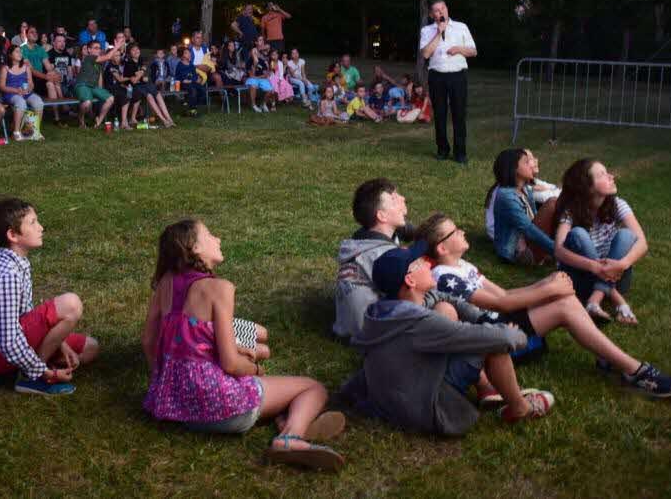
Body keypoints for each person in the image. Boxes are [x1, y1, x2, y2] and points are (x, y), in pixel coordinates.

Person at [142, 219, 346, 471]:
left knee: (261, 360)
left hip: (177, 409)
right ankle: (290, 438)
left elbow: (149, 340)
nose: (218, 239)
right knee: (312, 388)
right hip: (223, 410)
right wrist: (256, 370)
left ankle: (284, 419)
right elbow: (230, 363)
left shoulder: (166, 283)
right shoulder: (220, 288)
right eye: (210, 235)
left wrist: (162, 382)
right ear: (194, 247)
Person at [415, 212, 671, 398]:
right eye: (454, 231)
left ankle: (613, 360)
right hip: (491, 338)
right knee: (565, 304)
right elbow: (503, 304)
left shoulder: (462, 265)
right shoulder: (444, 276)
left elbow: (506, 293)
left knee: (564, 297)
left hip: (500, 320)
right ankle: (636, 372)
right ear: (441, 248)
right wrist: (549, 288)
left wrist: (548, 284)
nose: (461, 230)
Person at [341, 243, 555, 434]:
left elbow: (441, 299)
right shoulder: (418, 323)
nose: (428, 264)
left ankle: (488, 389)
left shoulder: (382, 313)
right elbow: (475, 336)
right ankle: (520, 409)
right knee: (493, 343)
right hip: (424, 410)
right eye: (421, 263)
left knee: (480, 332)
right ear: (410, 280)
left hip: (396, 399)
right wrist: (514, 335)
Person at [0, 198, 100, 395]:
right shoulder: (6, 274)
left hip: (13, 341)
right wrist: (44, 372)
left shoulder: (17, 261)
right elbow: (8, 341)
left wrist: (60, 342)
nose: (41, 227)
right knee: (71, 304)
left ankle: (16, 371)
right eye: (33, 223)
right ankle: (30, 378)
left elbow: (25, 314)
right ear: (13, 235)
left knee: (90, 349)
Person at [553, 159, 647, 325]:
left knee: (626, 235)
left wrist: (622, 264)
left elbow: (642, 243)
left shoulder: (618, 205)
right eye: (602, 174)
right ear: (587, 186)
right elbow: (558, 251)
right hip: (579, 279)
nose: (611, 176)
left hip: (617, 275)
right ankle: (618, 301)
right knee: (578, 234)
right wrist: (594, 266)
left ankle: (595, 299)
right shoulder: (571, 211)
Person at [333, 178, 415, 340]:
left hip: (346, 327)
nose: (403, 199)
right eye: (393, 198)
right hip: (372, 334)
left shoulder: (360, 243)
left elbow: (406, 231)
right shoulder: (383, 254)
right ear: (382, 216)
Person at [419, 0, 477, 164]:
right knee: (440, 113)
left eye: (443, 8)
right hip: (437, 76)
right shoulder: (427, 30)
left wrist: (459, 49)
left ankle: (460, 153)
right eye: (436, 10)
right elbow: (426, 54)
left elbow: (473, 51)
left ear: (447, 9)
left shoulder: (461, 27)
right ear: (432, 15)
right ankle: (442, 150)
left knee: (459, 113)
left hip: (457, 75)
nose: (441, 12)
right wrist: (439, 32)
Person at [485, 149, 557, 265]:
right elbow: (529, 229)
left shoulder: (526, 189)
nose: (532, 165)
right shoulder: (506, 196)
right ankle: (561, 253)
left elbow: (534, 218)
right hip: (518, 252)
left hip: (529, 241)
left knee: (558, 207)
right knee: (552, 204)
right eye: (526, 162)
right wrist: (557, 251)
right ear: (514, 169)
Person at [0, 45, 45, 142]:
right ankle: (16, 132)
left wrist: (29, 89)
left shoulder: (26, 67)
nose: (20, 54)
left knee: (38, 102)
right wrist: (16, 91)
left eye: (20, 52)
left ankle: (35, 131)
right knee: (21, 103)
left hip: (26, 92)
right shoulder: (5, 68)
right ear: (10, 55)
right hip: (11, 94)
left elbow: (31, 83)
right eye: (17, 52)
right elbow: (2, 86)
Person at [126, 44, 176, 128]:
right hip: (134, 87)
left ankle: (169, 119)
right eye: (133, 50)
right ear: (129, 53)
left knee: (158, 94)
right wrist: (142, 71)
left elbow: (143, 77)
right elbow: (134, 81)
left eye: (137, 49)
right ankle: (163, 120)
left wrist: (140, 75)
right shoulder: (129, 64)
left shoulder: (141, 60)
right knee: (149, 96)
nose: (136, 51)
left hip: (144, 84)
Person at [73, 39, 119, 128]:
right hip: (83, 85)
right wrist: (116, 47)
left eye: (99, 48)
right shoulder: (89, 57)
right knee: (87, 103)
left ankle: (98, 121)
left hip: (94, 87)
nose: (98, 50)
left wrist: (100, 90)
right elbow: (108, 57)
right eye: (95, 48)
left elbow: (100, 76)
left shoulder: (99, 62)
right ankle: (81, 119)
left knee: (110, 98)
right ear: (89, 50)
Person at [172, 48, 205, 116]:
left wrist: (198, 79)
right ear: (182, 56)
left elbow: (195, 76)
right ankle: (192, 109)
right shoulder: (180, 65)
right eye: (187, 53)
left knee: (202, 89)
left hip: (192, 83)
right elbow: (184, 80)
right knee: (193, 90)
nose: (189, 54)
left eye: (190, 53)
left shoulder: (191, 65)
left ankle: (190, 105)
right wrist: (194, 80)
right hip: (182, 85)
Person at [244, 43, 275, 113]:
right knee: (253, 85)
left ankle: (263, 104)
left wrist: (259, 77)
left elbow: (266, 74)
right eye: (254, 52)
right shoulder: (249, 62)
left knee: (270, 90)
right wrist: (255, 65)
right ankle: (254, 105)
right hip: (251, 79)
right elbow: (251, 75)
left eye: (256, 52)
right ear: (251, 53)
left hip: (261, 79)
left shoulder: (262, 61)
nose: (255, 54)